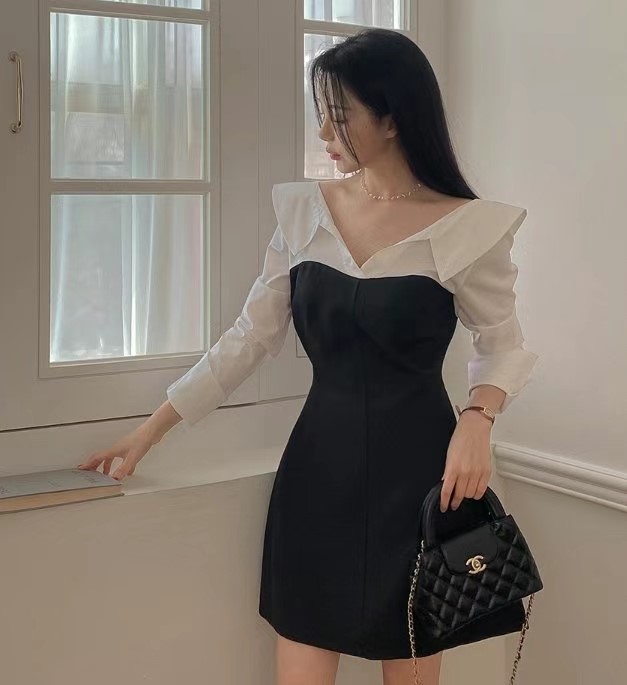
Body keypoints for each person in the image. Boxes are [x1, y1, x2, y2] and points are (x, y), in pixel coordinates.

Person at [78, 28, 539, 685]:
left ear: (391, 119)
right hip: (318, 473)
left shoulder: (467, 227)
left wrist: (477, 421)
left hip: (421, 478)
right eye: (320, 112)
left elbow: (501, 343)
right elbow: (249, 336)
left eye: (338, 114)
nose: (323, 129)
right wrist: (149, 431)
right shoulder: (304, 213)